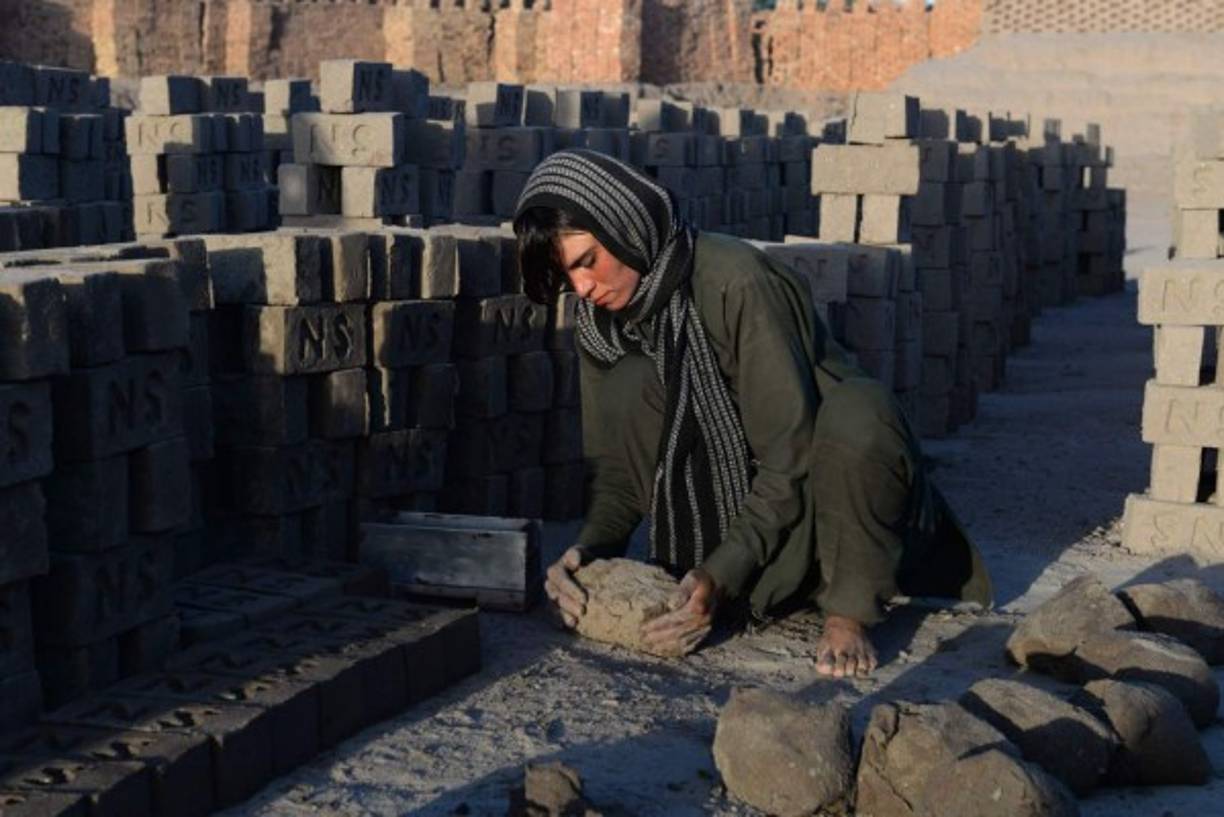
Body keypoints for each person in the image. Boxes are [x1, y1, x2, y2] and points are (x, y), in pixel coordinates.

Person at [513, 149, 991, 678]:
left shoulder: (736, 281)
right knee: (633, 381)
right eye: (567, 275)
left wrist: (724, 571)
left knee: (860, 411)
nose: (583, 288)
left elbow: (791, 455)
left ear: (625, 226)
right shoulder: (601, 325)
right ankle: (732, 580)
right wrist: (589, 554)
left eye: (586, 261)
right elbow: (616, 474)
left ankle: (848, 609)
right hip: (745, 521)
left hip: (828, 503)